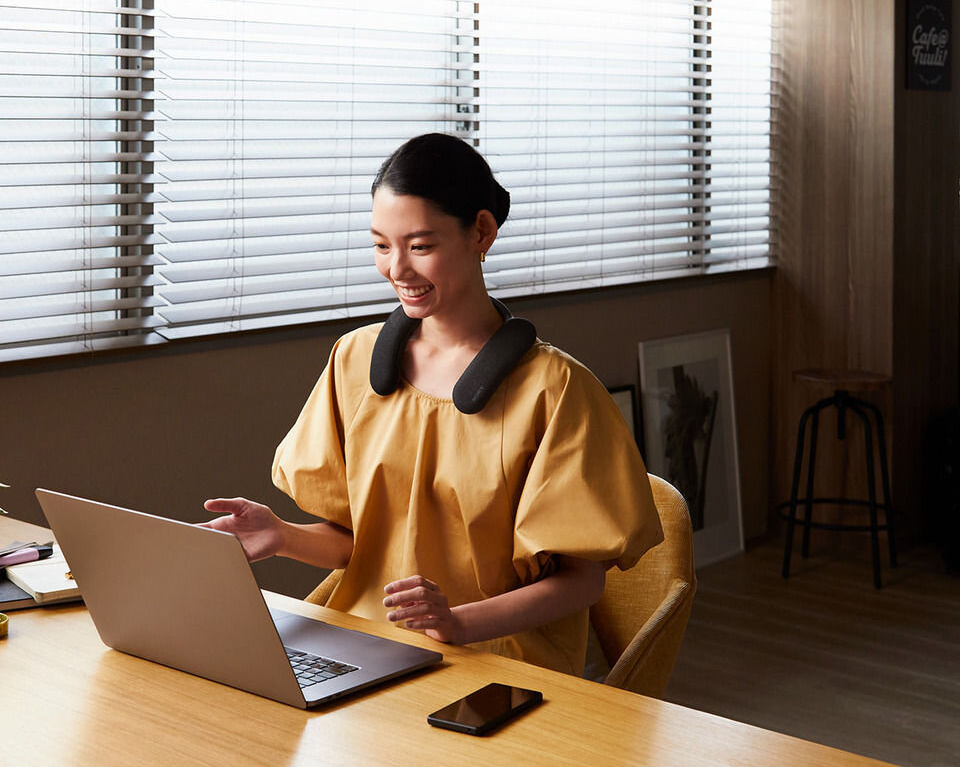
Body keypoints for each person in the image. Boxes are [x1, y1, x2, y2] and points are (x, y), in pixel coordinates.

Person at [203, 133, 663, 675]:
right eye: (381, 245)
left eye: (420, 246)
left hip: (499, 661)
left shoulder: (556, 390)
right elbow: (364, 547)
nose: (397, 269)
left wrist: (459, 624)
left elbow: (582, 582)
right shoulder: (354, 361)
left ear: (482, 232)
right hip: (366, 644)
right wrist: (282, 535)